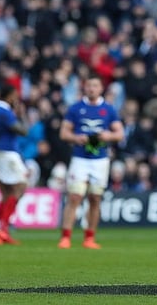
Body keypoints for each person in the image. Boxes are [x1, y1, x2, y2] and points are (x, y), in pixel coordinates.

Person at [57, 74, 124, 249]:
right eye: (89, 85)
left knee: (95, 198)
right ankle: (66, 237)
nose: (91, 89)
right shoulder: (75, 108)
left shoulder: (109, 109)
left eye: (95, 85)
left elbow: (119, 133)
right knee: (74, 197)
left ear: (100, 88)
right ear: (84, 88)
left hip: (100, 160)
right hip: (80, 158)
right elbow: (64, 133)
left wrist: (107, 136)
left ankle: (89, 238)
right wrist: (76, 138)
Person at [0, 84, 28, 245]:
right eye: (15, 96)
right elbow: (23, 131)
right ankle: (3, 228)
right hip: (7, 154)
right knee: (21, 187)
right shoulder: (4, 111)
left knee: (6, 193)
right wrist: (20, 114)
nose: (16, 99)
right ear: (10, 96)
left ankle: (1, 231)